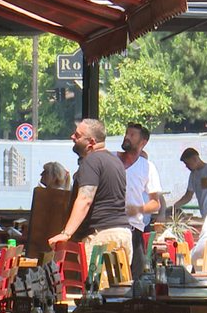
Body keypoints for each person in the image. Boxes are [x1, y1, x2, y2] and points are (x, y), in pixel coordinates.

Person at [47, 118, 132, 265]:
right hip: (122, 234)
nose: (72, 137)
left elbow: (85, 199)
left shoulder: (91, 161)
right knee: (118, 288)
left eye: (78, 135)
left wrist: (66, 233)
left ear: (91, 142)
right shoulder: (115, 162)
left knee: (96, 287)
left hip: (102, 238)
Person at [116, 122, 162, 278]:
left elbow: (156, 203)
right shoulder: (111, 159)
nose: (127, 137)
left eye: (132, 135)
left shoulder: (147, 167)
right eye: (126, 133)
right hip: (110, 225)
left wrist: (138, 209)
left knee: (136, 277)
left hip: (133, 227)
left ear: (143, 142)